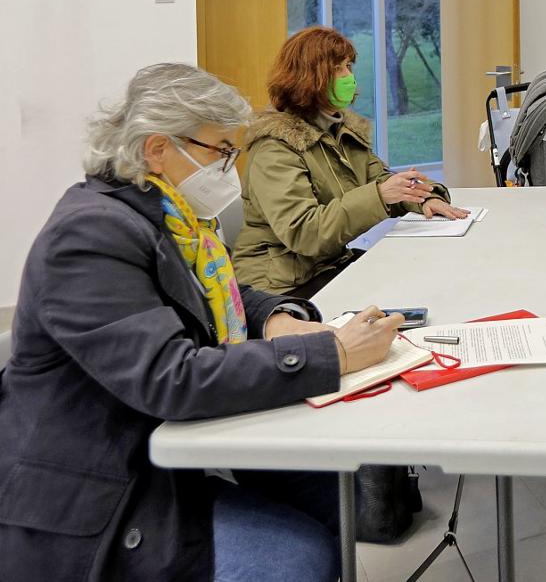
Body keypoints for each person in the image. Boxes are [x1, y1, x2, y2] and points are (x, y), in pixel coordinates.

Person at [0, 63, 403, 582]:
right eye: (220, 150)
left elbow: (225, 296)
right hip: (96, 485)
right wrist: (337, 354)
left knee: (334, 487)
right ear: (157, 149)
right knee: (295, 558)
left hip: (159, 444)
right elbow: (171, 377)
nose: (229, 166)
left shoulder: (171, 217)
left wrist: (278, 318)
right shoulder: (89, 236)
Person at [233, 27, 468, 297]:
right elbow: (305, 232)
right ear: (309, 77)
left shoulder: (340, 131)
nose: (349, 77)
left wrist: (425, 199)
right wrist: (380, 196)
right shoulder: (275, 149)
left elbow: (381, 179)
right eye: (338, 69)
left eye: (348, 66)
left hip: (326, 265)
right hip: (282, 285)